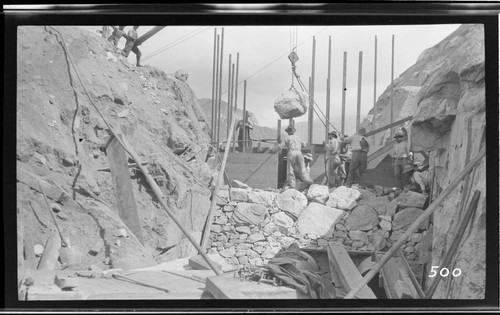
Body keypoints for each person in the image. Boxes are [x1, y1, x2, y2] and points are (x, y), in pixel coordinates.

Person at [281, 125, 313, 190]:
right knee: (302, 168)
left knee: (290, 168)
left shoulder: (287, 138)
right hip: (299, 152)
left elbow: (283, 145)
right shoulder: (298, 137)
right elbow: (304, 144)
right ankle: (307, 180)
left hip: (291, 152)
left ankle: (292, 184)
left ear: (287, 132)